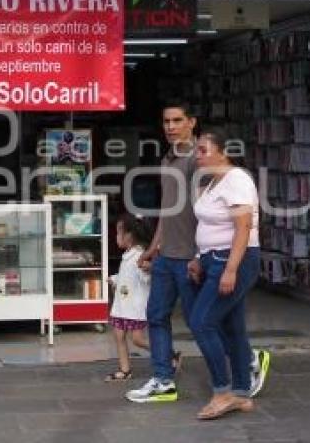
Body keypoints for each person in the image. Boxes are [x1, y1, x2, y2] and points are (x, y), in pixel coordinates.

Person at [126, 105, 270, 403]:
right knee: (157, 316)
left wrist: (208, 259)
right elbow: (169, 212)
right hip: (169, 254)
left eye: (178, 120)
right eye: (166, 121)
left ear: (192, 122)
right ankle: (163, 379)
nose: (171, 126)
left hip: (194, 256)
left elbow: (216, 215)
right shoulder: (169, 158)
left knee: (206, 321)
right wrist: (152, 248)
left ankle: (239, 370)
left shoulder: (201, 161)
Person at [186, 127, 261, 419]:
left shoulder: (237, 179)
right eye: (197, 150)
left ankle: (223, 391)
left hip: (232, 261)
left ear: (224, 152)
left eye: (203, 150)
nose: (198, 156)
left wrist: (230, 269)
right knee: (232, 327)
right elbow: (210, 227)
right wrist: (198, 258)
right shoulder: (213, 182)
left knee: (201, 322)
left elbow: (243, 228)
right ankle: (241, 392)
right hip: (212, 259)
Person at [104, 214, 154, 382]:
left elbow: (145, 279)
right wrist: (115, 279)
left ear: (130, 236)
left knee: (138, 340)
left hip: (134, 307)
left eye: (119, 232)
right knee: (118, 336)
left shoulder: (139, 256)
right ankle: (125, 370)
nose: (116, 236)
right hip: (121, 306)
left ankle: (167, 354)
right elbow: (127, 276)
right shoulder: (128, 255)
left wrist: (148, 270)